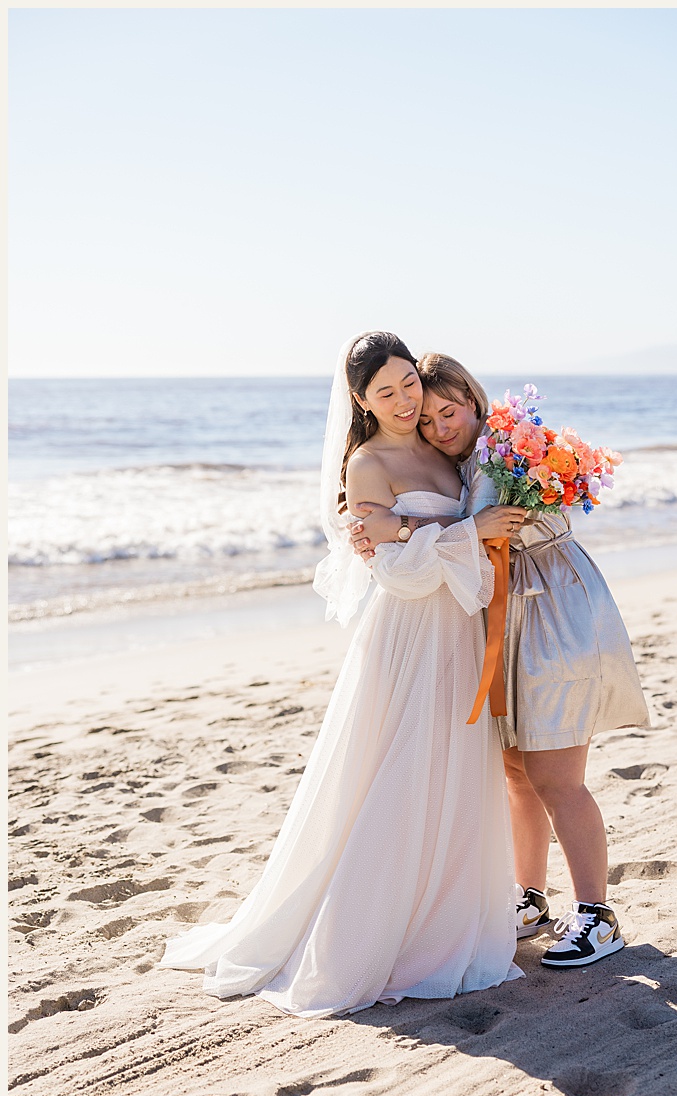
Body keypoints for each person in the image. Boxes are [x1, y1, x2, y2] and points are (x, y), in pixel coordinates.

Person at [160, 332, 528, 1016]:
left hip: (460, 629)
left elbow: (443, 523)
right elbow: (388, 566)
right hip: (408, 631)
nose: (402, 401)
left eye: (408, 385)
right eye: (383, 393)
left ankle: (445, 918)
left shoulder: (445, 450)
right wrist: (467, 537)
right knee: (390, 771)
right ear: (360, 400)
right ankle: (370, 933)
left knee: (452, 771)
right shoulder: (368, 462)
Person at [357, 354, 651, 969]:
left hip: (552, 609)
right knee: (516, 769)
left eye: (449, 410)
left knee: (556, 776)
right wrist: (384, 525)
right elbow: (465, 532)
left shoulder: (500, 455)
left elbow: (477, 528)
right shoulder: (459, 462)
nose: (439, 426)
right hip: (505, 614)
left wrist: (392, 525)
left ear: (474, 400)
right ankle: (531, 897)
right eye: (429, 418)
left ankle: (598, 916)